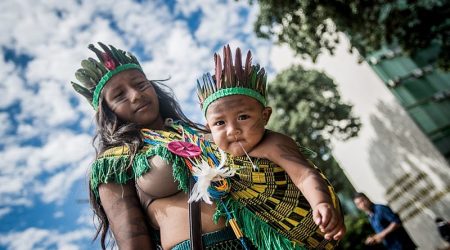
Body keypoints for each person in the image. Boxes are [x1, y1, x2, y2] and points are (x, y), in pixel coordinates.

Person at [71, 42, 250, 250]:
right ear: (108, 111)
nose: (135, 95)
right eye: (119, 96)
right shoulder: (113, 163)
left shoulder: (204, 132)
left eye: (140, 84)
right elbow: (134, 242)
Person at [194, 45, 345, 249]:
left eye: (243, 117)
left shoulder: (274, 143)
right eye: (219, 123)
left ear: (265, 116)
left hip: (317, 235)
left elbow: (304, 175)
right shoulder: (215, 153)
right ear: (209, 129)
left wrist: (321, 203)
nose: (232, 130)